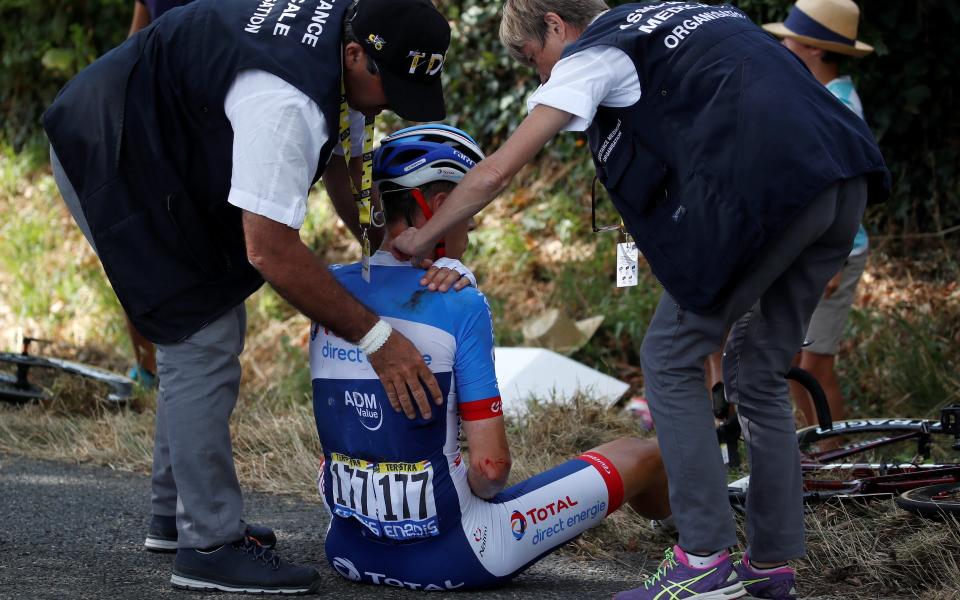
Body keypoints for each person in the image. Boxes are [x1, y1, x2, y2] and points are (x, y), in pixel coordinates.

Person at [390, 2, 889, 599]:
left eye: (532, 59)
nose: (542, 78)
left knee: (670, 360)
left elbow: (496, 172)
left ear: (555, 25)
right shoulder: (687, 15)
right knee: (758, 375)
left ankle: (703, 561)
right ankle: (771, 566)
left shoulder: (595, 52)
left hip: (767, 192)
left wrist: (421, 236)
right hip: (841, 181)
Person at [43, 0, 463, 594]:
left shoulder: (350, 39)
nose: (391, 100)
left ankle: (178, 513)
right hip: (112, 148)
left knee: (207, 325)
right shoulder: (286, 100)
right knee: (204, 333)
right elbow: (269, 250)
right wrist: (378, 338)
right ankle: (209, 544)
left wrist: (387, 246)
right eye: (388, 86)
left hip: (162, 137)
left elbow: (344, 158)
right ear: (354, 56)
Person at [310, 124, 671, 590]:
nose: (473, 227)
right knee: (643, 454)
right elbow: (489, 472)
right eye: (470, 213)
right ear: (439, 207)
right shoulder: (458, 300)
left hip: (347, 547)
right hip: (458, 554)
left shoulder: (327, 289)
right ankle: (690, 537)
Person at [764, 0, 874, 427]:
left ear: (813, 48)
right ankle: (812, 449)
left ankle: (835, 457)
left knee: (815, 365)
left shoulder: (841, 108)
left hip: (834, 251)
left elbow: (851, 186)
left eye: (791, 38)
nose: (784, 43)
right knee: (792, 357)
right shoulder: (820, 96)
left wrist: (833, 259)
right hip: (810, 248)